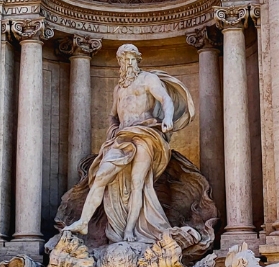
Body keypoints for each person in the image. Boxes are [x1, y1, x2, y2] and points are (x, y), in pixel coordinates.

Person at [64, 44, 194, 244]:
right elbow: (113, 115)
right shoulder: (119, 89)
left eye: (132, 59)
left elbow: (166, 99)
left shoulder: (148, 79)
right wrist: (112, 130)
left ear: (138, 60)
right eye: (124, 60)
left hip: (145, 134)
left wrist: (168, 117)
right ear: (119, 63)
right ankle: (83, 221)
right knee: (100, 178)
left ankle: (130, 231)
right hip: (122, 137)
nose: (129, 63)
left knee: (137, 184)